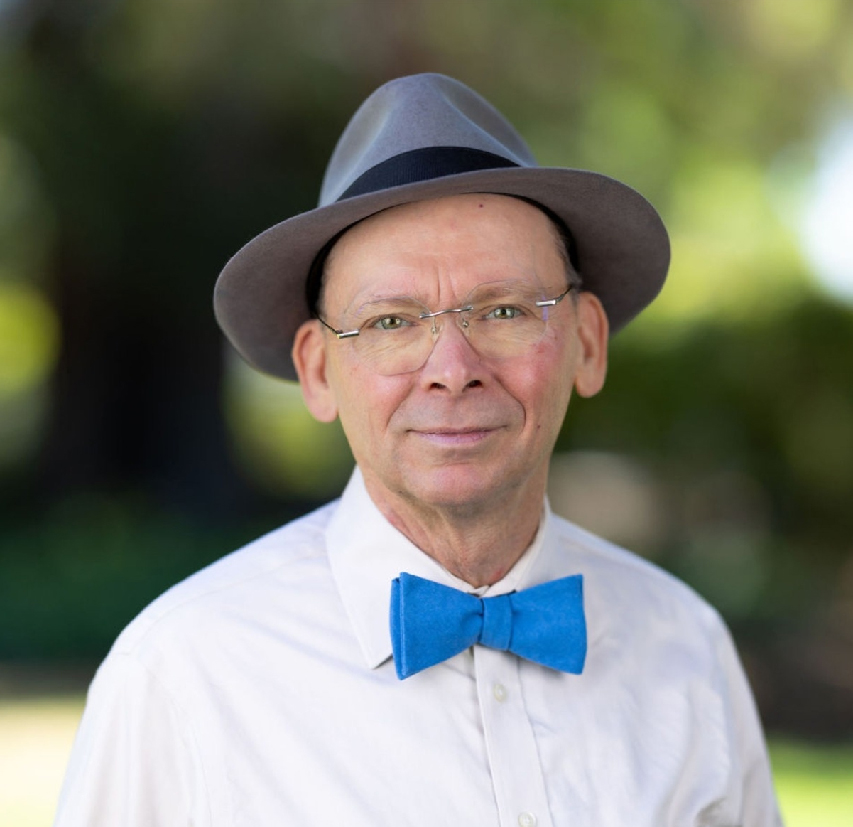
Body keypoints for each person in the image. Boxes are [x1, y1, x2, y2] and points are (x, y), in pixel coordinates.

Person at [54, 74, 783, 826]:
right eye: (391, 322)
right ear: (318, 371)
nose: (453, 369)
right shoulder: (181, 675)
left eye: (504, 310)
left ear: (587, 344)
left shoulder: (685, 646)